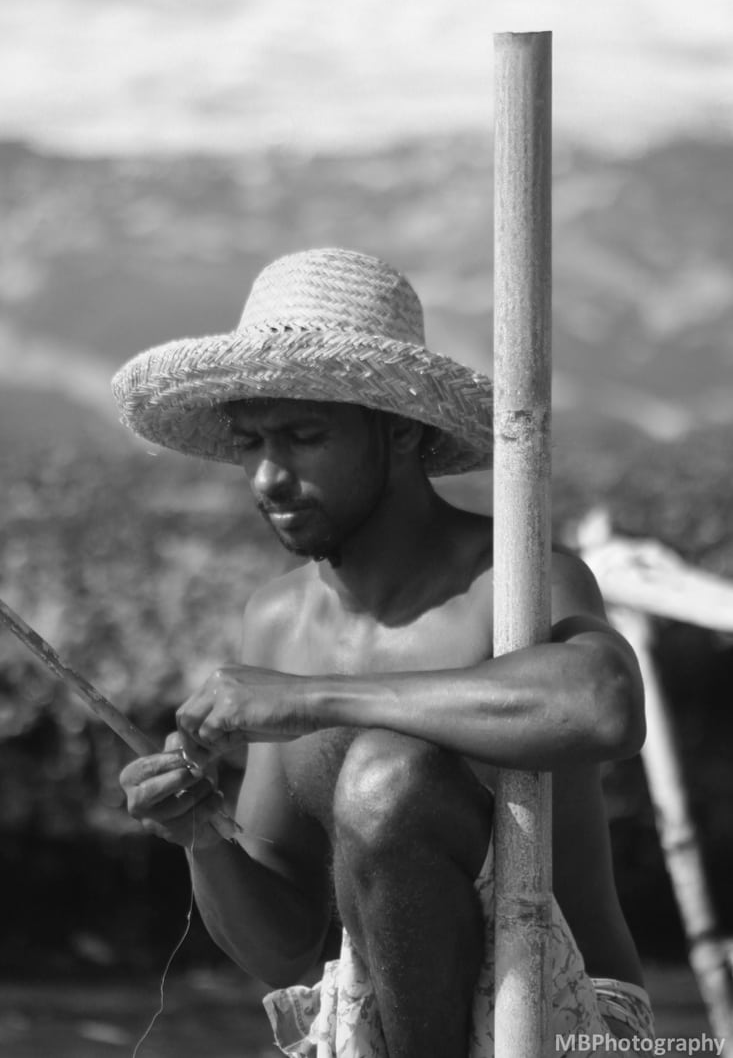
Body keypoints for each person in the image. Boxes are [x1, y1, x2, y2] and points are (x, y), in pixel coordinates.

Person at [113, 248, 654, 1057]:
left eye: (301, 437)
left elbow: (604, 706)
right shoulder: (276, 620)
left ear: (399, 430)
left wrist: (312, 698)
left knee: (385, 775)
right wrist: (201, 838)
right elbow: (284, 949)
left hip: (570, 1026)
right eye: (252, 440)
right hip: (383, 1029)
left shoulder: (508, 582)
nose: (267, 476)